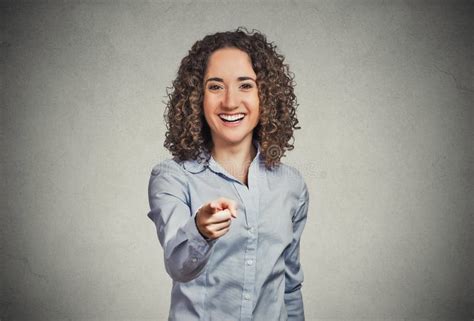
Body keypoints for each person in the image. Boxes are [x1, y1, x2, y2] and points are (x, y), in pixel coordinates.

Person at [147, 27, 309, 321]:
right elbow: (178, 265)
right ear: (197, 97)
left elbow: (289, 286)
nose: (231, 102)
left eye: (245, 85)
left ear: (266, 96)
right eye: (215, 86)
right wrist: (200, 230)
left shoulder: (292, 185)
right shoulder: (171, 177)